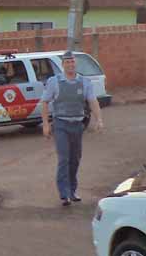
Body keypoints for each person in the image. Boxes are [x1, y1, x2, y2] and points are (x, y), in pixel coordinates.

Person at [41, 51, 104, 207]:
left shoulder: (84, 82)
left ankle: (72, 190)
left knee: (75, 159)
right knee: (64, 159)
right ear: (62, 65)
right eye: (67, 62)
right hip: (61, 124)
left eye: (72, 62)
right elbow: (44, 102)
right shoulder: (54, 82)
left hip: (77, 124)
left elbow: (92, 101)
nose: (70, 65)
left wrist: (99, 119)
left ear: (75, 64)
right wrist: (46, 124)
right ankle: (64, 194)